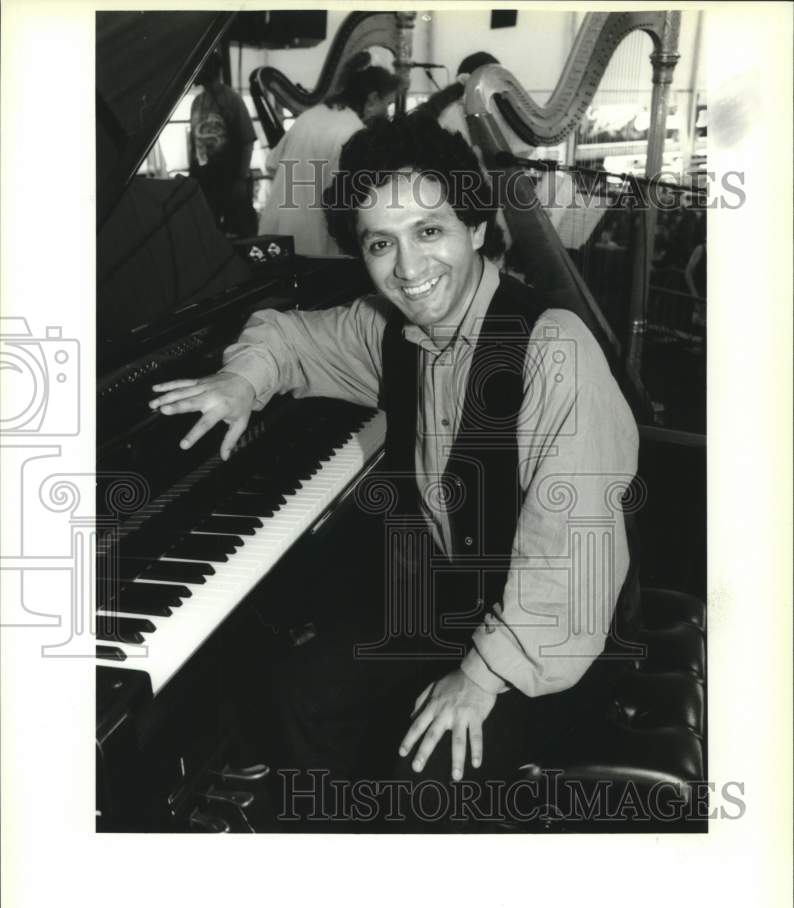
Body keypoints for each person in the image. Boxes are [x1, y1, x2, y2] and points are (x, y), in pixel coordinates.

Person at [150, 115, 639, 828]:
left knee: (430, 772)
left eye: (429, 231)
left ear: (476, 228)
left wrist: (478, 677)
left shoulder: (552, 350)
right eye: (382, 243)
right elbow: (287, 334)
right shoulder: (396, 330)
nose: (408, 269)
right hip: (454, 603)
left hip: (557, 642)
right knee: (303, 689)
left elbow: (571, 561)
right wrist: (242, 384)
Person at [257, 52, 399, 255]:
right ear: (372, 99)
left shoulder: (310, 116)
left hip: (275, 239)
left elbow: (271, 163)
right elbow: (350, 204)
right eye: (388, 104)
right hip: (316, 250)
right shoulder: (354, 133)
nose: (388, 112)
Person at [189, 51, 257, 237]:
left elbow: (247, 142)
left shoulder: (232, 99)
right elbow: (193, 144)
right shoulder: (197, 102)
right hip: (206, 181)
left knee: (240, 233)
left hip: (229, 179)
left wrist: (241, 180)